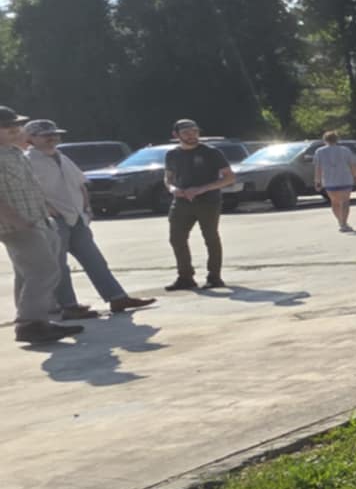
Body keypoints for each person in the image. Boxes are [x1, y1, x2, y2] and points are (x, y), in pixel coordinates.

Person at [22, 119, 152, 314]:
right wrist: (46, 209)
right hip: (54, 220)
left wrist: (86, 207)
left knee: (95, 261)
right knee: (59, 266)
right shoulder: (27, 161)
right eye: (46, 135)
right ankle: (69, 306)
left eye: (55, 134)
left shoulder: (62, 157)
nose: (52, 138)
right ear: (31, 138)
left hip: (77, 218)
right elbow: (27, 190)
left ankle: (117, 298)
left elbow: (80, 183)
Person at [2, 108, 83, 345]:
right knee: (44, 271)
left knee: (29, 274)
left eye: (17, 125)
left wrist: (44, 215)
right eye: (7, 126)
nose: (15, 129)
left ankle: (33, 322)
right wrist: (19, 222)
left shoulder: (15, 153)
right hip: (17, 226)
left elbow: (30, 187)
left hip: (37, 220)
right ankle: (31, 324)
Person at [163, 118, 235, 291]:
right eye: (186, 132)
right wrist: (173, 189)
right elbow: (168, 178)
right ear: (176, 135)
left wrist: (202, 189)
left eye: (195, 131)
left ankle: (214, 277)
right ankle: (185, 277)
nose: (192, 135)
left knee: (210, 237)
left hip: (208, 201)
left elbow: (229, 178)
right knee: (176, 238)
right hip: (181, 202)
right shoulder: (172, 154)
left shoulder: (211, 152)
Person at [314, 131, 356, 231]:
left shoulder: (319, 152)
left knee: (334, 202)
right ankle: (344, 223)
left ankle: (340, 221)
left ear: (324, 140)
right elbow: (353, 166)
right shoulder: (345, 150)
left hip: (329, 181)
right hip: (345, 179)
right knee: (345, 202)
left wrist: (318, 181)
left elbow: (318, 168)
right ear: (337, 139)